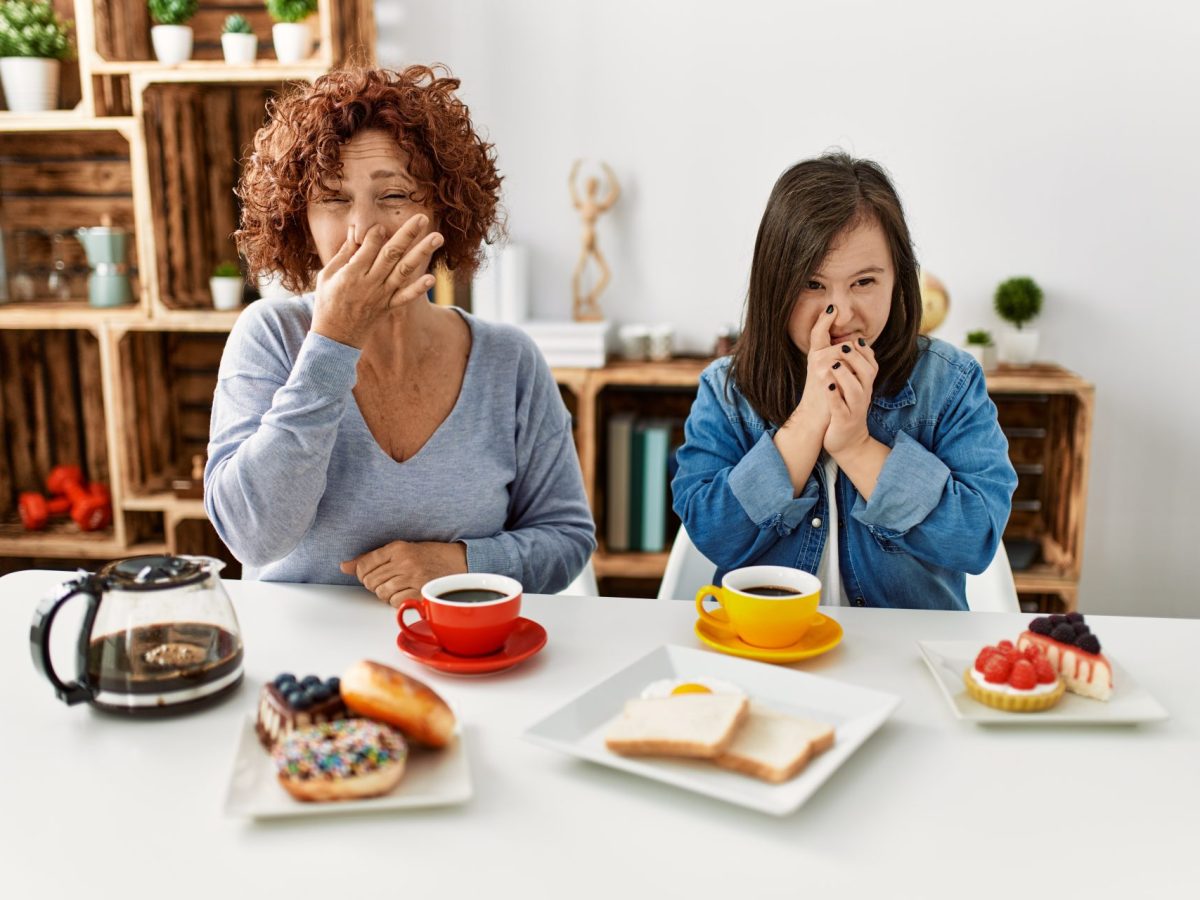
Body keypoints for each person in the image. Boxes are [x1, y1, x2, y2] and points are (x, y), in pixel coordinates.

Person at [205, 66, 595, 604]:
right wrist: (334, 341)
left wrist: (462, 564)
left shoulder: (509, 360)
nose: (364, 229)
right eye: (334, 200)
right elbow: (254, 538)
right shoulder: (268, 335)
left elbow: (567, 541)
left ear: (444, 212)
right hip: (302, 670)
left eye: (394, 195)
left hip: (463, 659)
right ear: (301, 222)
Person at [672, 152, 1017, 611]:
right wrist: (809, 418)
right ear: (775, 283)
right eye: (813, 285)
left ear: (899, 279)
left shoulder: (949, 383)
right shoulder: (727, 390)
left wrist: (856, 445)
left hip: (904, 658)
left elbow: (974, 539)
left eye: (864, 282)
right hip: (768, 651)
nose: (842, 314)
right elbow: (714, 536)